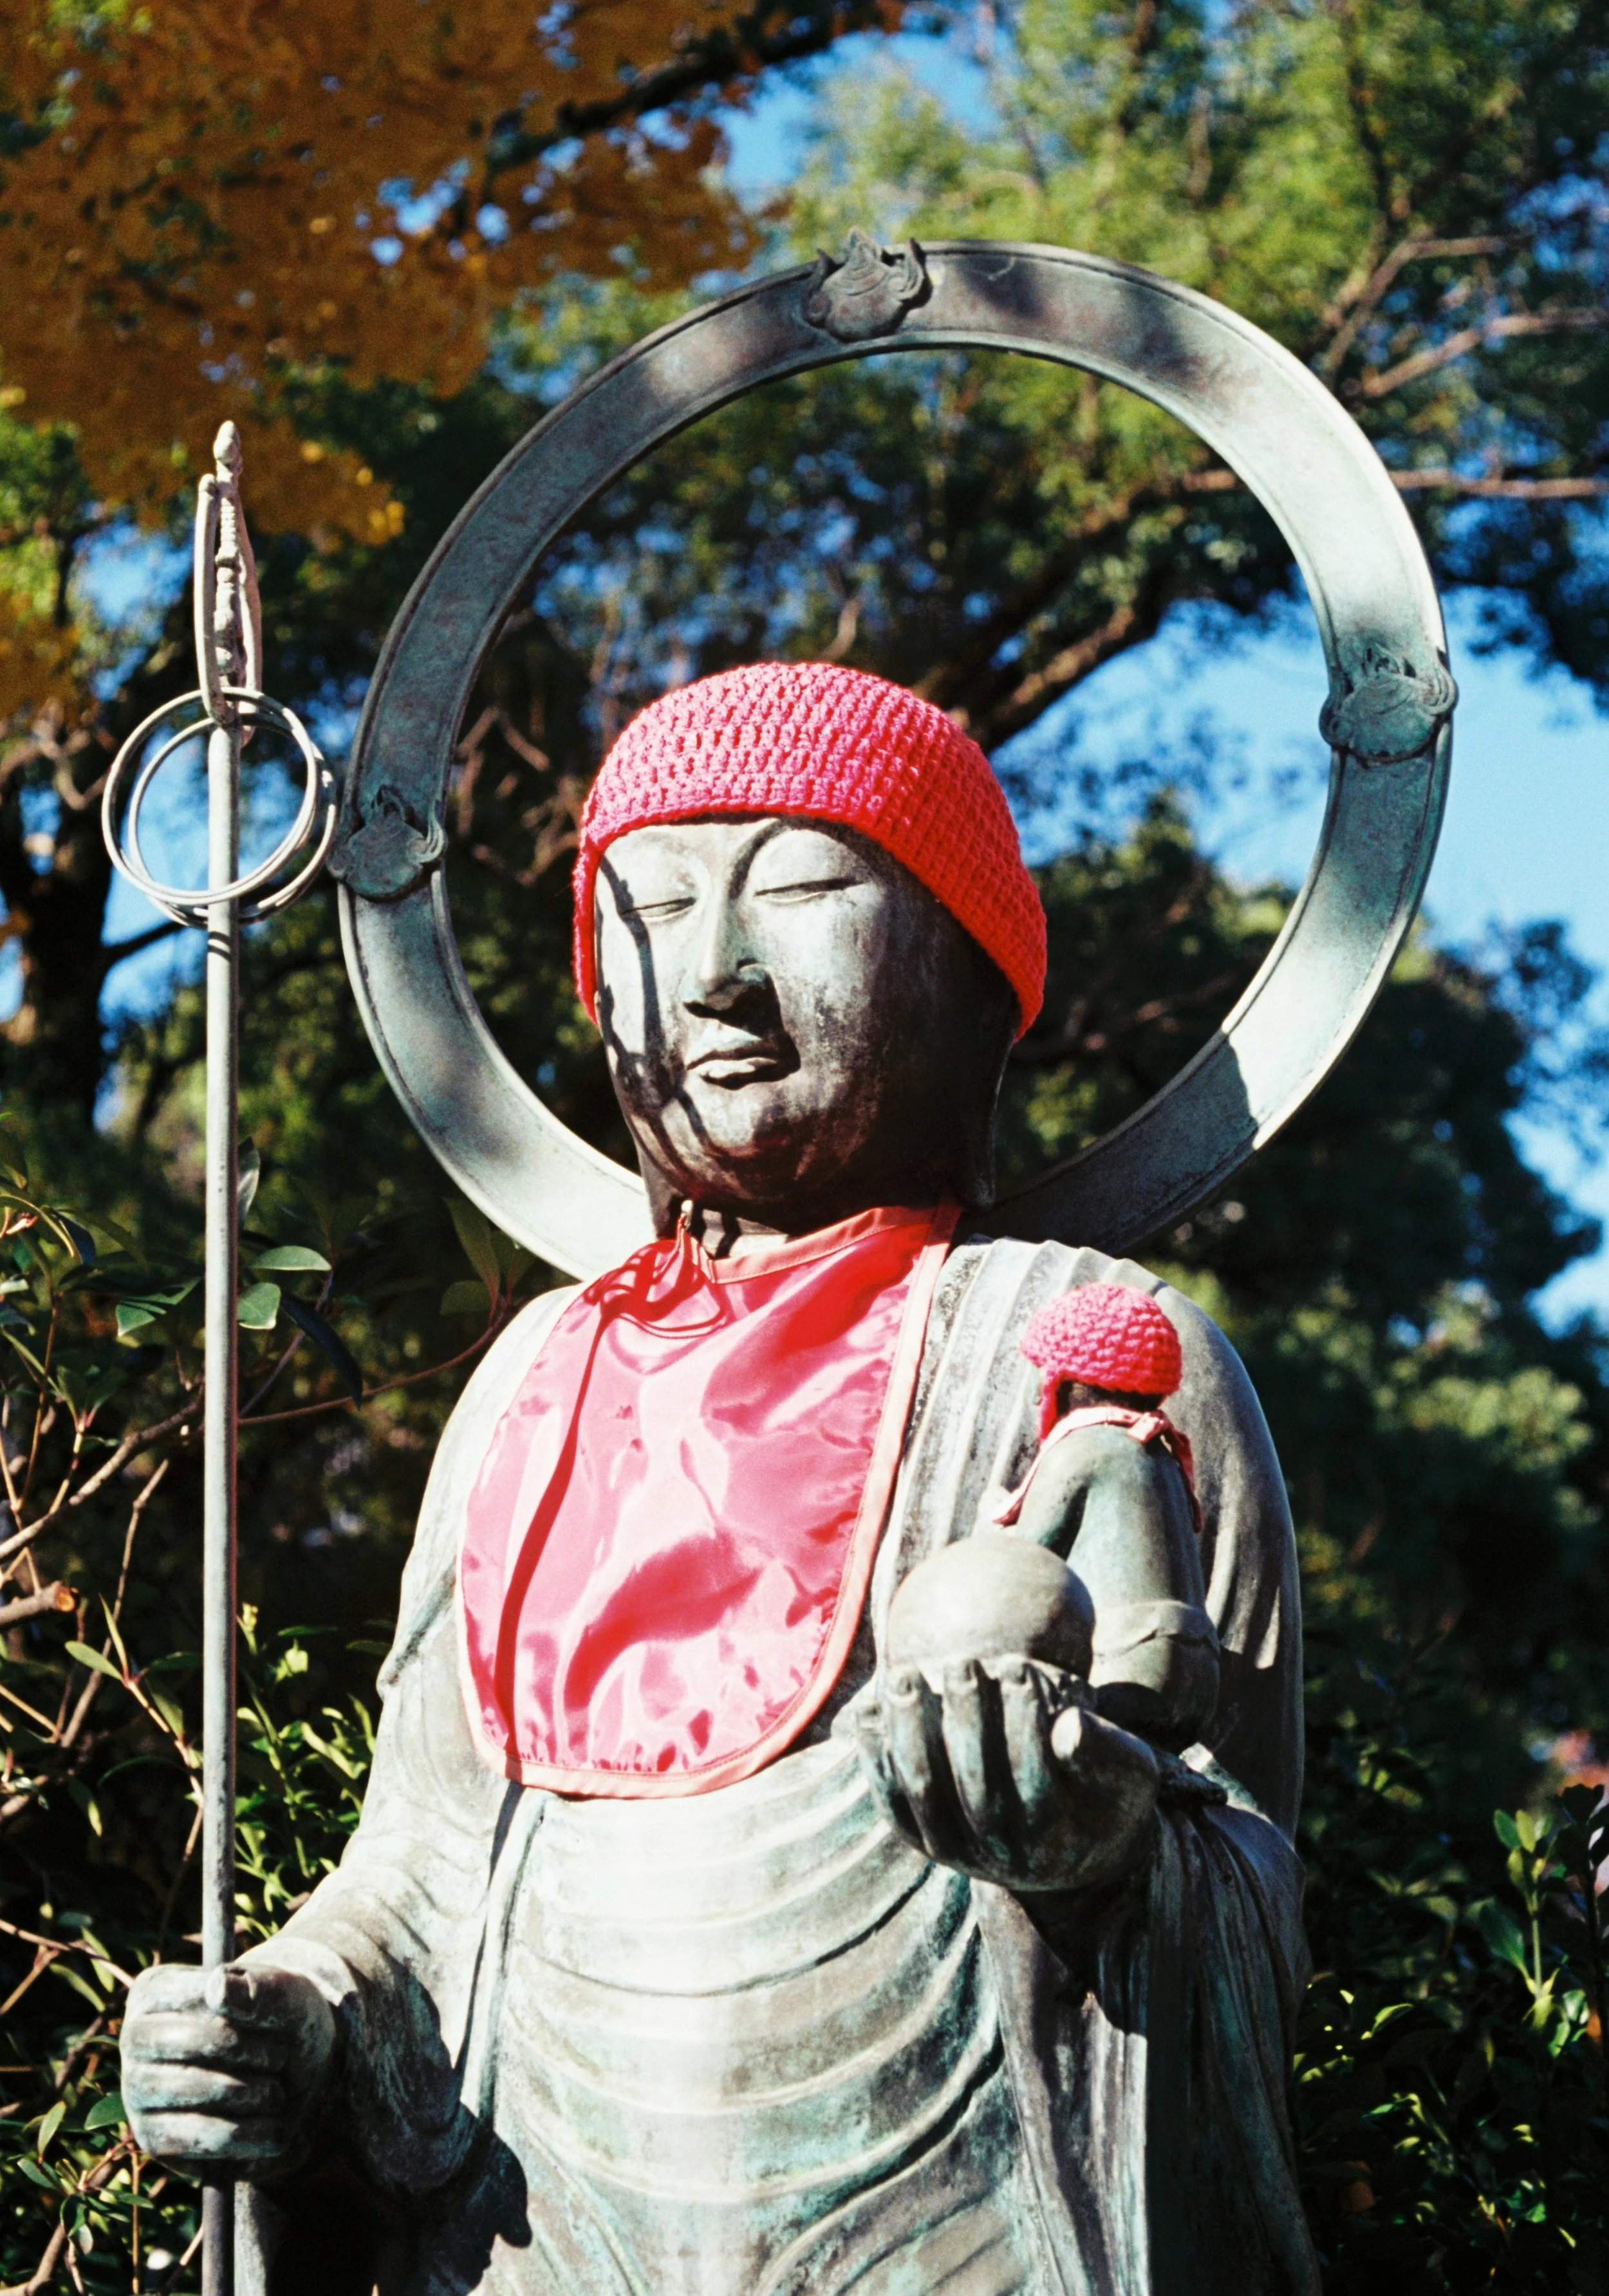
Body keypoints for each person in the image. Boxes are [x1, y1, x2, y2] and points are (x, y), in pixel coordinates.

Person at [122, 660, 1319, 2295]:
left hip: (948, 2224)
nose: (720, 978)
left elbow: (1246, 1857)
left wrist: (1107, 1844)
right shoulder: (532, 1378)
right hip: (529, 2225)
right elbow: (417, 1865)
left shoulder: (1088, 1349)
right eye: (655, 906)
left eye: (813, 888)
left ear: (970, 980)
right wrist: (287, 2017)